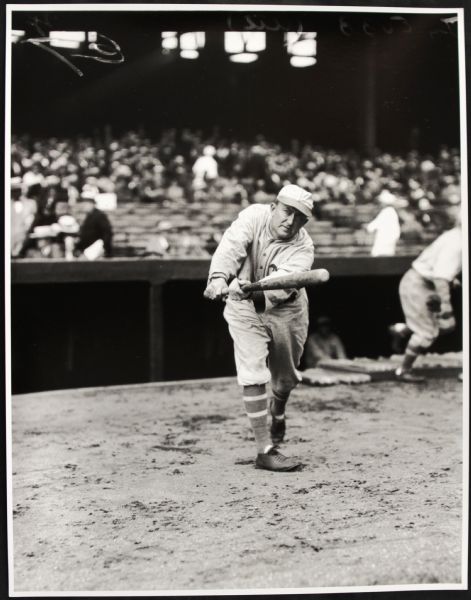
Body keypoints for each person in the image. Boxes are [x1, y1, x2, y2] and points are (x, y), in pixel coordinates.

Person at [204, 184, 314, 472]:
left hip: (286, 311)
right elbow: (232, 244)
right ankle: (265, 449)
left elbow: (283, 283)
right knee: (252, 370)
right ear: (274, 206)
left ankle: (278, 410)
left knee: (285, 379)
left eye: (299, 218)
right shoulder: (254, 215)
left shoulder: (304, 247)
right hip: (243, 310)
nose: (290, 222)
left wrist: (250, 290)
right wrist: (218, 277)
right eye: (287, 212)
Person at [391, 208, 462, 383]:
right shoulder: (457, 242)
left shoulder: (455, 234)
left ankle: (400, 330)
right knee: (427, 333)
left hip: (423, 283)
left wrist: (451, 280)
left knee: (444, 327)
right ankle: (403, 370)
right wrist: (447, 308)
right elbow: (440, 277)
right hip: (418, 285)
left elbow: (438, 269)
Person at [75, 194, 113, 258]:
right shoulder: (90, 216)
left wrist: (105, 248)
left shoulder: (99, 215)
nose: (83, 206)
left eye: (86, 204)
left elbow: (107, 233)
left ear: (92, 204)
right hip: (89, 249)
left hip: (96, 248)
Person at [365, 189, 401, 256]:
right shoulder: (392, 212)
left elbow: (372, 226)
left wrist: (367, 227)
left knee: (380, 256)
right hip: (389, 241)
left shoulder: (386, 212)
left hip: (384, 241)